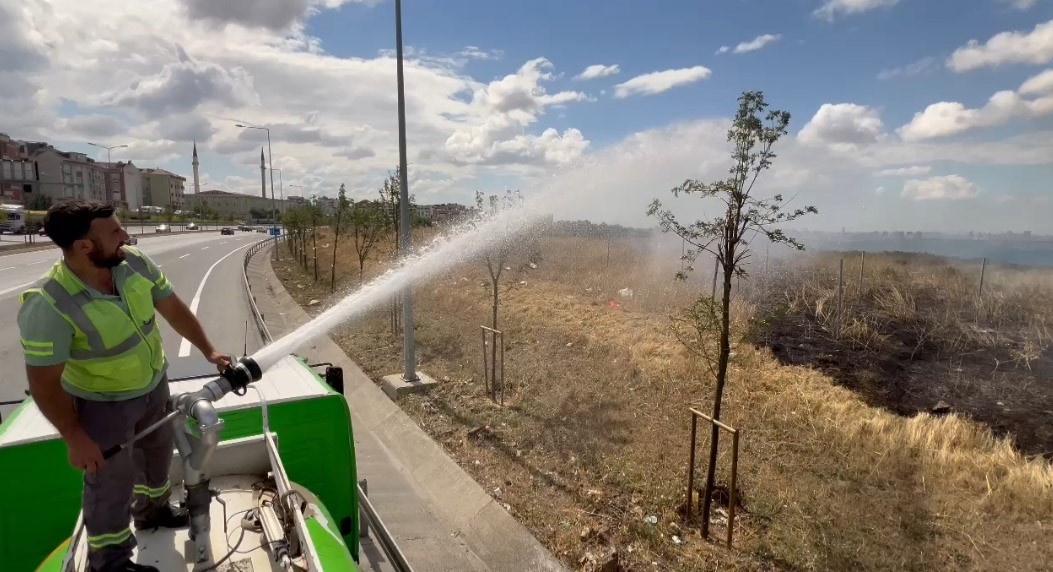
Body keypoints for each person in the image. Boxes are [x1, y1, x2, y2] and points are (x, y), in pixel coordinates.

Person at [17, 201, 232, 572]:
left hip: (153, 385)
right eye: (115, 233)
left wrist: (208, 349)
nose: (126, 237)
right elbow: (43, 383)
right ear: (84, 246)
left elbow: (174, 310)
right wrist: (73, 436)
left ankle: (153, 512)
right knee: (110, 485)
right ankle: (111, 562)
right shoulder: (49, 303)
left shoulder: (132, 262)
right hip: (103, 405)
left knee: (157, 456)